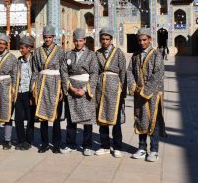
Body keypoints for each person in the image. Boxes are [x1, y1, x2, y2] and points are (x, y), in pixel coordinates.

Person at [128, 28, 167, 162]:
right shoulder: (135, 55)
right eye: (140, 40)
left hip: (153, 94)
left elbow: (159, 74)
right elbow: (129, 72)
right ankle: (142, 148)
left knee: (153, 121)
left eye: (144, 40)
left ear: (150, 40)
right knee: (140, 119)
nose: (142, 42)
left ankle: (154, 150)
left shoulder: (156, 54)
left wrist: (145, 89)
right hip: (138, 94)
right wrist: (133, 86)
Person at [61, 28, 99, 156]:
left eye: (81, 41)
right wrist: (69, 87)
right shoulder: (68, 54)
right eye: (76, 41)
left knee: (87, 119)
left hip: (85, 88)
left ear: (85, 41)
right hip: (71, 88)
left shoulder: (92, 55)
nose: (78, 43)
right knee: (71, 119)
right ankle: (71, 143)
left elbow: (94, 73)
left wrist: (85, 89)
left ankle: (87, 145)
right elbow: (64, 72)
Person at [31, 25, 66, 154]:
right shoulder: (38, 51)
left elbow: (63, 70)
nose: (47, 40)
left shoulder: (60, 51)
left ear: (53, 37)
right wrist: (33, 86)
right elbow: (35, 70)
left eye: (50, 37)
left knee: (56, 117)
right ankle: (44, 143)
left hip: (55, 84)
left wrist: (63, 87)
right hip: (42, 84)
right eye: (45, 37)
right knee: (43, 116)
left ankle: (56, 144)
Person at [94, 27, 127, 158]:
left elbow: (123, 71)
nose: (105, 42)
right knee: (102, 118)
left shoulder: (118, 53)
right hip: (101, 87)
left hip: (115, 88)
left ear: (111, 40)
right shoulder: (97, 53)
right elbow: (95, 72)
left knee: (115, 119)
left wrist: (123, 90)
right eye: (103, 39)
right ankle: (105, 145)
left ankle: (117, 146)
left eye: (107, 39)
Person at [14, 36, 36, 151]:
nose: (21, 50)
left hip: (30, 92)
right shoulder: (18, 61)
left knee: (30, 118)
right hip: (19, 92)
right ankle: (21, 140)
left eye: (22, 48)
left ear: (29, 48)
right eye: (20, 48)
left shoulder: (34, 60)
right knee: (18, 119)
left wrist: (33, 94)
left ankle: (28, 141)